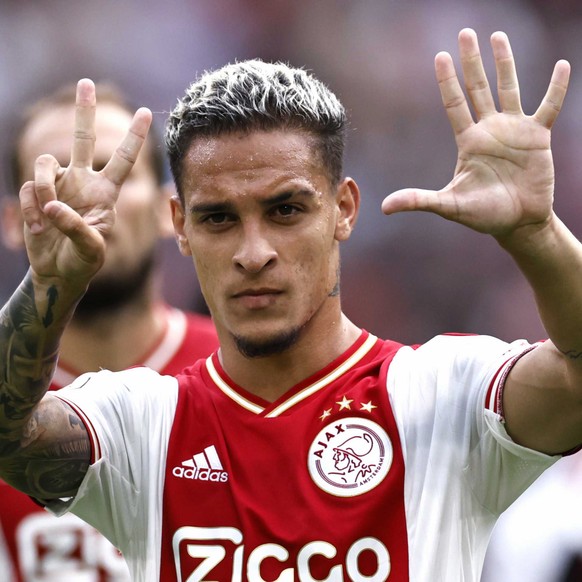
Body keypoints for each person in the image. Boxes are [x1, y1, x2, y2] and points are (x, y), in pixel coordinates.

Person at [0, 27, 581, 581]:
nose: (254, 253)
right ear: (180, 227)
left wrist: (537, 235)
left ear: (344, 209)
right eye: (219, 218)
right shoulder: (139, 422)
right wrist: (51, 285)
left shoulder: (444, 396)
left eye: (285, 211)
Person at [0, 82, 219, 581]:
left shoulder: (243, 370)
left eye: (114, 170)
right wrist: (50, 284)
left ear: (170, 211)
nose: (86, 196)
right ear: (14, 223)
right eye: (53, 176)